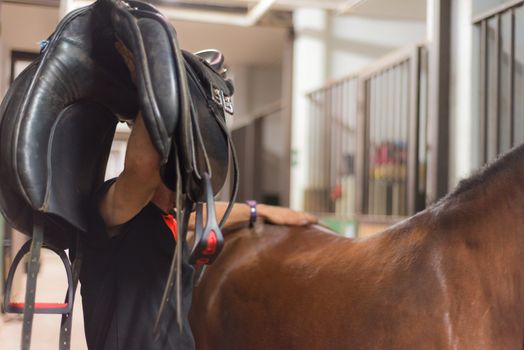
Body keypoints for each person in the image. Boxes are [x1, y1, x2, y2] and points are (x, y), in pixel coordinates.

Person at [79, 112, 317, 350]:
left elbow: (210, 214)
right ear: (165, 170)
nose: (192, 190)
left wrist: (260, 211)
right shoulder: (116, 214)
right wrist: (159, 93)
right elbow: (142, 169)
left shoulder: (171, 219)